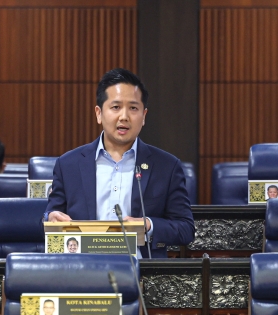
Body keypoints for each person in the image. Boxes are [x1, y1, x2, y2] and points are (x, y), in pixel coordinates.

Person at [45, 68, 194, 259]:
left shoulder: (167, 166)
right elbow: (51, 213)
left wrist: (148, 225)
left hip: (143, 275)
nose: (124, 116)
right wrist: (50, 217)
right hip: (82, 268)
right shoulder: (68, 165)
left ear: (144, 116)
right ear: (99, 113)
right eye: (115, 107)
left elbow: (186, 228)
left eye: (133, 108)